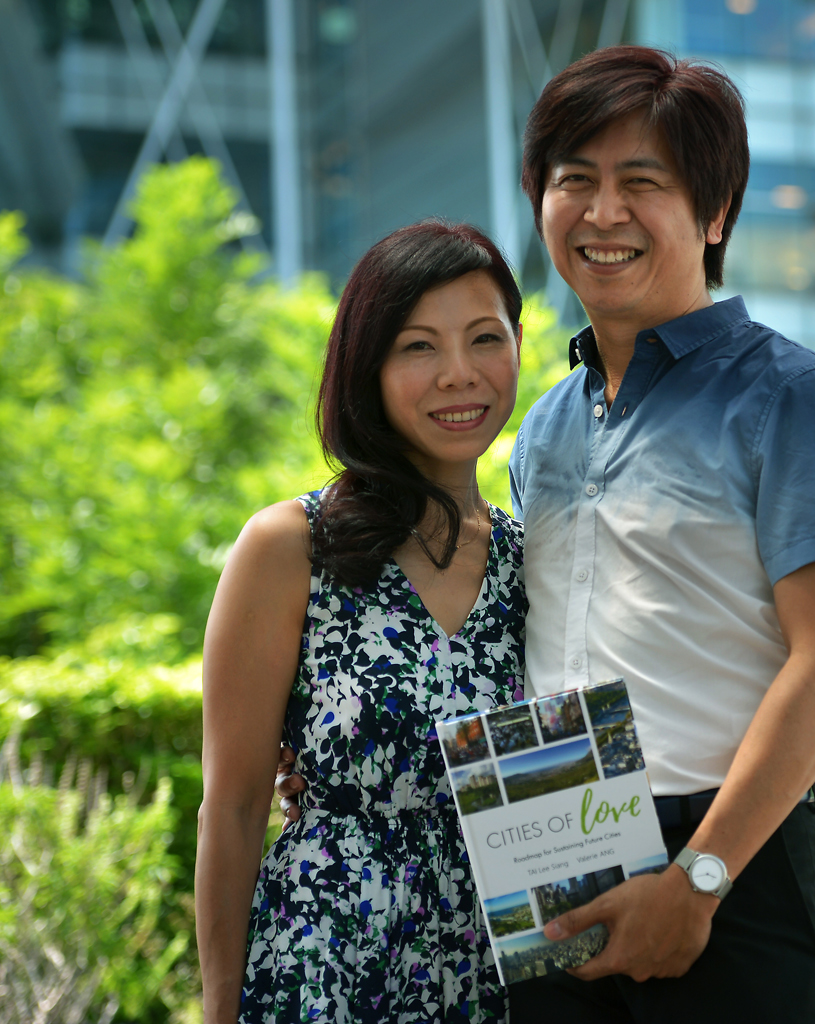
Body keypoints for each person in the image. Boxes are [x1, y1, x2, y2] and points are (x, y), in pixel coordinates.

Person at [506, 46, 815, 1022]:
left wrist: (700, 878)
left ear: (715, 213)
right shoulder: (543, 424)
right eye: (574, 182)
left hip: (727, 852)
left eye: (642, 183)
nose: (602, 214)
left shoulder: (795, 396)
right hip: (550, 829)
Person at [195, 221, 526, 1024]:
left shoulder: (538, 561)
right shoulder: (290, 546)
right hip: (327, 966)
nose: (459, 375)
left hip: (495, 974)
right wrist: (218, 1009)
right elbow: (234, 807)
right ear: (367, 367)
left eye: (485, 339)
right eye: (418, 347)